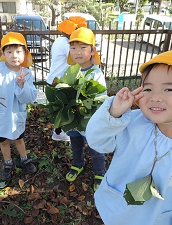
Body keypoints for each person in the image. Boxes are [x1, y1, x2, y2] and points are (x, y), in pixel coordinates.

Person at [86, 49, 172, 224]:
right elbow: (97, 141)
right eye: (148, 88)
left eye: (169, 89)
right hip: (115, 212)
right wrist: (114, 113)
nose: (155, 97)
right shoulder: (132, 122)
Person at [0, 32, 38, 181]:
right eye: (9, 52)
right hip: (0, 115)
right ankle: (8, 163)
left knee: (18, 138)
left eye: (18, 51)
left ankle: (24, 159)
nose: (14, 56)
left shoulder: (27, 73)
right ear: (2, 53)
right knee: (3, 140)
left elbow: (29, 97)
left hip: (16, 114)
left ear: (25, 53)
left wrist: (22, 86)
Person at [65, 27, 107, 191]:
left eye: (83, 47)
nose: (77, 52)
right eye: (73, 47)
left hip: (91, 121)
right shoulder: (70, 70)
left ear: (92, 51)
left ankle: (99, 172)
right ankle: (77, 164)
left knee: (95, 146)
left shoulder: (95, 73)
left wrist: (84, 103)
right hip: (74, 120)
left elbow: (100, 97)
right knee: (75, 143)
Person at [47, 17, 87, 142]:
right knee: (63, 109)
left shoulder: (59, 40)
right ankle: (58, 133)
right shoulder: (66, 43)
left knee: (60, 108)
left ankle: (58, 131)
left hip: (55, 79)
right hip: (59, 82)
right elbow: (76, 59)